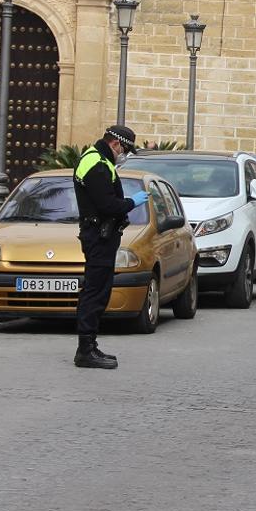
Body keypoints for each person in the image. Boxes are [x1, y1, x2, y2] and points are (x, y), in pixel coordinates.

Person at [72, 125, 149, 369]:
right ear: (115, 144)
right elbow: (107, 205)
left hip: (99, 235)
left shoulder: (96, 160)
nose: (124, 154)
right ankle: (86, 350)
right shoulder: (97, 164)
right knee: (95, 292)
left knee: (97, 290)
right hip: (99, 237)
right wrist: (130, 203)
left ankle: (89, 345)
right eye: (124, 149)